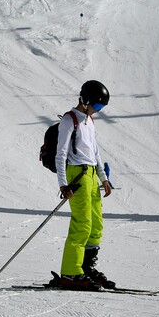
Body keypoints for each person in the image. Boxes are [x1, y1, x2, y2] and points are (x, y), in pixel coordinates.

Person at [54, 80, 114, 290]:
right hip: (76, 175)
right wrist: (63, 184)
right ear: (86, 101)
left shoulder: (89, 121)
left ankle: (86, 268)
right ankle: (70, 272)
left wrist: (103, 178)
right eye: (97, 107)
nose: (97, 111)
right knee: (82, 224)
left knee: (96, 225)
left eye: (101, 109)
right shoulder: (70, 121)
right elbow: (60, 155)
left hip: (91, 176)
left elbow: (95, 153)